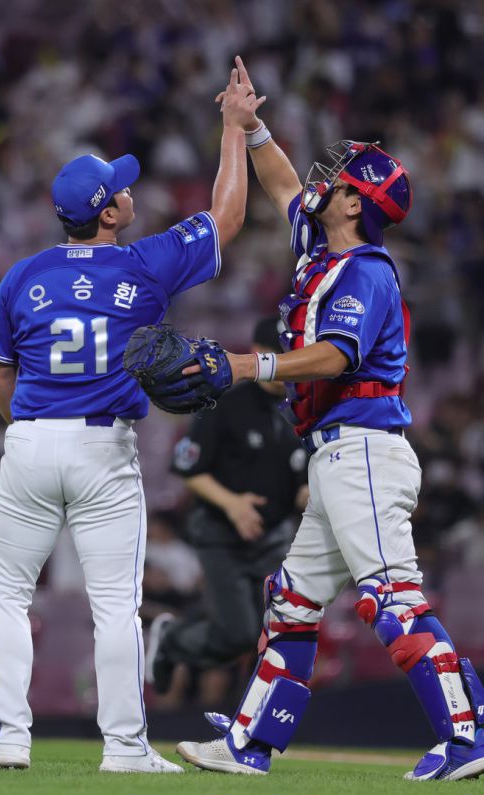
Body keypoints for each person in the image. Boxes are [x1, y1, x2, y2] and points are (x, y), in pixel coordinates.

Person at [176, 56, 484, 782]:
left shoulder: (366, 272)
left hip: (364, 451)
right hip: (338, 455)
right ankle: (251, 742)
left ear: (355, 206)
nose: (328, 180)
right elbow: (284, 183)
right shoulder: (323, 248)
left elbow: (334, 357)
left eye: (344, 180)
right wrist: (251, 128)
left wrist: (249, 365)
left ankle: (468, 734)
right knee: (292, 602)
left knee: (392, 597)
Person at [0, 65, 266, 773]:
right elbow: (226, 219)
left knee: (6, 592)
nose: (129, 191)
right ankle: (125, 746)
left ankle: (7, 733)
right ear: (109, 214)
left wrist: (25, 426)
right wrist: (232, 129)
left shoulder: (23, 275)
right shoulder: (144, 266)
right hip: (104, 450)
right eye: (120, 188)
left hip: (32, 443)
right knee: (115, 605)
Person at [145, 316, 308, 696]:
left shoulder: (301, 409)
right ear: (258, 352)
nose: (286, 362)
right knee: (238, 634)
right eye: (278, 353)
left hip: (273, 538)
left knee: (272, 632)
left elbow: (302, 483)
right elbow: (188, 467)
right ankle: (173, 639)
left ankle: (259, 713)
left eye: (293, 353)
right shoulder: (226, 403)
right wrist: (232, 503)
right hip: (222, 534)